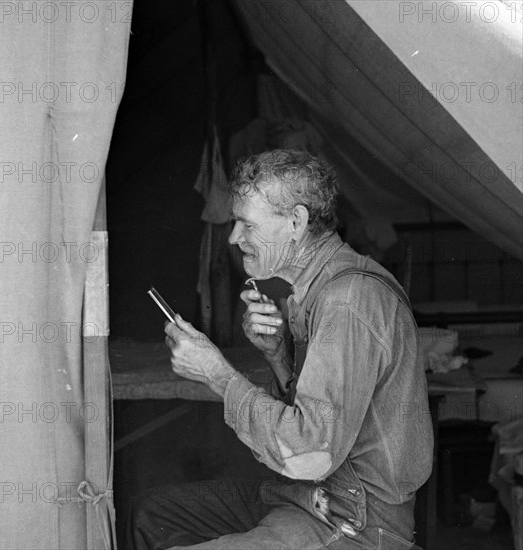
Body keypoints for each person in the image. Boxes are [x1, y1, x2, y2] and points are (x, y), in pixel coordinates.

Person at [126, 149, 433, 549]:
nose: (235, 237)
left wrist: (216, 374)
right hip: (305, 496)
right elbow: (322, 414)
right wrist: (277, 355)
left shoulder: (347, 301)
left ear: (296, 221)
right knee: (151, 512)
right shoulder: (317, 289)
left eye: (246, 224)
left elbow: (310, 452)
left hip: (352, 519)